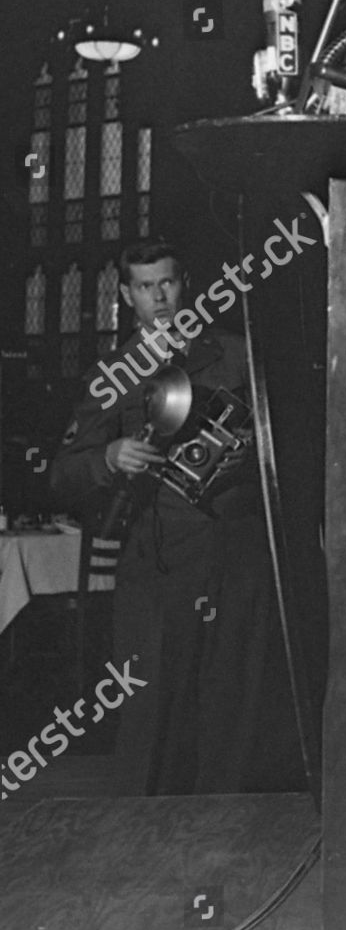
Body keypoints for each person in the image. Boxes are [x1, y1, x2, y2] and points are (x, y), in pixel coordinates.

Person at [49, 239, 300, 796]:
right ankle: (149, 831)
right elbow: (60, 474)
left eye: (167, 283)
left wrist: (250, 451)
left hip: (235, 555)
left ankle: (229, 827)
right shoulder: (110, 375)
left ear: (184, 283)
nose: (158, 297)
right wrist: (107, 458)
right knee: (153, 701)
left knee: (234, 696)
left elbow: (287, 438)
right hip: (156, 564)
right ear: (126, 296)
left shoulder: (233, 354)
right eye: (144, 286)